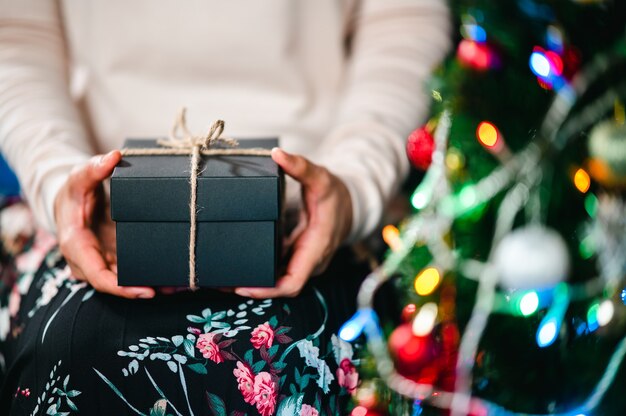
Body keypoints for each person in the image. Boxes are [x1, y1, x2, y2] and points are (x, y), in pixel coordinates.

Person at [0, 1, 450, 414]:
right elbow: (16, 35)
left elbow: (404, 17)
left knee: (310, 361)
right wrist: (61, 181)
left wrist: (354, 184)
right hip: (93, 211)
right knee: (70, 356)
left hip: (321, 216)